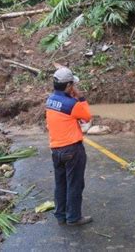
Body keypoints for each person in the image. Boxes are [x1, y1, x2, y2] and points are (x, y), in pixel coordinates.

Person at [45, 67, 93, 225]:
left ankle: (60, 215)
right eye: (73, 85)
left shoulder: (50, 100)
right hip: (72, 149)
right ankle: (73, 217)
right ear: (68, 86)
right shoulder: (72, 104)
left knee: (60, 184)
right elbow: (87, 117)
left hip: (56, 149)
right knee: (74, 183)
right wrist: (81, 98)